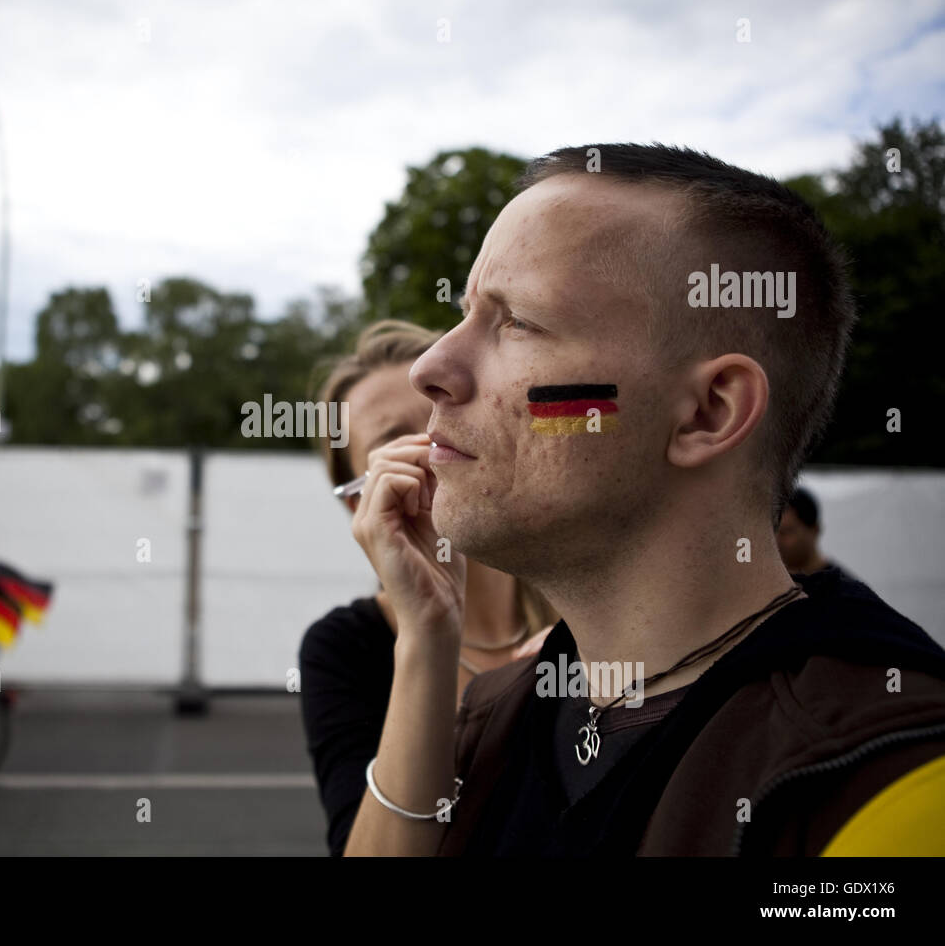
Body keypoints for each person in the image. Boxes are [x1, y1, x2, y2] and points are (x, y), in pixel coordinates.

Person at [344, 143, 945, 856]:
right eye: (467, 313)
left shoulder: (890, 785)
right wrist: (426, 635)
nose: (430, 367)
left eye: (519, 322)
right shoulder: (493, 715)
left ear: (708, 413)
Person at [298, 319, 556, 856]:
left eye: (448, 407)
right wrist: (428, 628)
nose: (437, 440)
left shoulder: (589, 601)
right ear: (358, 501)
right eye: (398, 440)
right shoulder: (344, 648)